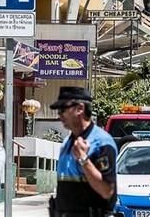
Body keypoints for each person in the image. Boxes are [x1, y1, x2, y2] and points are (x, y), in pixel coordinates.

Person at [49, 86, 118, 217]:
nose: (59, 114)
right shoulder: (67, 142)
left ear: (80, 108)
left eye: (63, 109)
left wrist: (83, 159)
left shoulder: (102, 143)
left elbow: (106, 190)